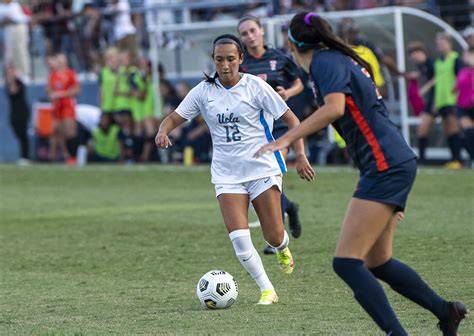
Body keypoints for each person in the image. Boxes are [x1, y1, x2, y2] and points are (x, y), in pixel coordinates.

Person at [255, 12, 468, 335]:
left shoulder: (326, 63)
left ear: (292, 44)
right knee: (377, 262)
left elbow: (335, 108)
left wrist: (286, 138)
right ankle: (445, 311)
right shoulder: (339, 60)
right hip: (391, 162)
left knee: (346, 262)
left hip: (386, 165)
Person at [155, 34, 314, 305]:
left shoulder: (256, 87)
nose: (225, 65)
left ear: (241, 59)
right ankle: (267, 290)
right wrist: (162, 131)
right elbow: (174, 117)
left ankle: (283, 247)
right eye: (219, 59)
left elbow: (292, 120)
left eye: (231, 59)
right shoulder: (203, 91)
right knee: (239, 239)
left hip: (261, 168)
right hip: (227, 174)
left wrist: (299, 154)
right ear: (213, 60)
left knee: (273, 235)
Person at [238, 15, 307, 254]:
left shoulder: (278, 57)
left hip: (278, 125)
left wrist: (288, 92)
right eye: (244, 33)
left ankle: (274, 238)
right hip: (252, 130)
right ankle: (289, 208)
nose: (249, 36)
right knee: (264, 174)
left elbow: (299, 83)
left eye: (252, 30)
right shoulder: (240, 63)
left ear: (261, 31)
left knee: (269, 172)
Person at [433, 32, 464, 168]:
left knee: (454, 129)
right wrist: (435, 102)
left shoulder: (456, 59)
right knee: (447, 131)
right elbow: (438, 83)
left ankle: (459, 159)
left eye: (442, 42)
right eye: (438, 43)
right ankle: (453, 159)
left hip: (452, 100)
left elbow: (461, 79)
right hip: (441, 101)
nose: (440, 45)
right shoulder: (438, 62)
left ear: (449, 43)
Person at [47, 52, 80, 164]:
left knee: (70, 131)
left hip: (67, 105)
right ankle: (62, 156)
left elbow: (77, 90)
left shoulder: (70, 74)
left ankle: (73, 157)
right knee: (59, 132)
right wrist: (51, 94)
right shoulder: (52, 75)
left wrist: (61, 94)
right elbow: (49, 91)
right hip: (57, 107)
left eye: (62, 60)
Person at [406, 42, 436, 163]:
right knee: (421, 128)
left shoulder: (431, 63)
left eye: (414, 56)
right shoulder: (422, 66)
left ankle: (458, 159)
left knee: (452, 128)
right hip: (431, 100)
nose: (414, 59)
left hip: (437, 99)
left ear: (420, 53)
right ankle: (423, 159)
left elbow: (439, 77)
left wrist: (426, 88)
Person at [5, 62, 30, 165]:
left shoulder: (19, 82)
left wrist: (13, 79)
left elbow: (14, 91)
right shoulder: (8, 84)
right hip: (14, 112)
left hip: (22, 111)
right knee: (18, 133)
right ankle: (23, 156)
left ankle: (25, 157)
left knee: (23, 134)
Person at [454, 47, 474, 167]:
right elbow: (455, 87)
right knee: (468, 132)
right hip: (463, 106)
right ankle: (472, 159)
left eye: (466, 54)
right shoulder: (463, 71)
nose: (464, 56)